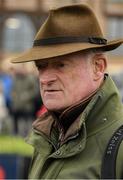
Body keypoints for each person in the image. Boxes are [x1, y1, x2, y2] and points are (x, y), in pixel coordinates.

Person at [11, 4, 123, 179]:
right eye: (41, 66)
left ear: (97, 67)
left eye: (60, 65)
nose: (45, 78)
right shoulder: (46, 138)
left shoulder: (119, 145)